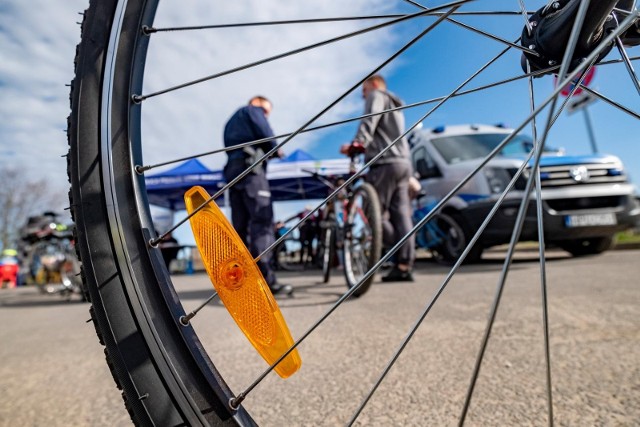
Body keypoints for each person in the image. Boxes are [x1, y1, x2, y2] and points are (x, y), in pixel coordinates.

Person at [340, 75, 415, 282]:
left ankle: (391, 246)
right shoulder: (396, 106)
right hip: (403, 162)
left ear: (373, 85)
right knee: (402, 215)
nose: (364, 96)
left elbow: (370, 118)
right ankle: (404, 264)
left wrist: (358, 143)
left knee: (374, 214)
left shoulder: (376, 95)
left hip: (383, 162)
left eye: (363, 91)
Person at [223, 96, 293, 295]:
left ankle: (242, 282)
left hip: (233, 172)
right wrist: (276, 149)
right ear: (257, 102)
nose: (266, 115)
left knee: (241, 228)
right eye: (266, 112)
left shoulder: (231, 121)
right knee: (262, 223)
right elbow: (267, 135)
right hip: (252, 171)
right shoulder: (251, 111)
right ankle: (267, 281)